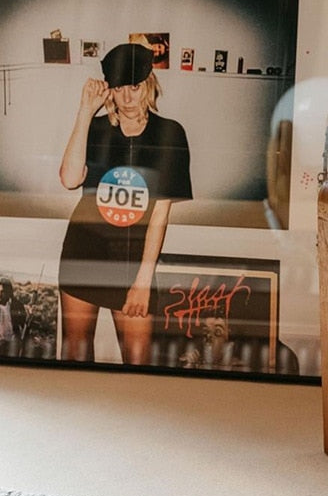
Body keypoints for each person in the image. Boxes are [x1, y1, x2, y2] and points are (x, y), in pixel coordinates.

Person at [58, 43, 192, 364]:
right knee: (75, 355)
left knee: (138, 362)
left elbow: (159, 214)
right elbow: (70, 178)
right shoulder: (97, 128)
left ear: (148, 84)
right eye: (119, 89)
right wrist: (85, 112)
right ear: (109, 91)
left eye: (134, 87)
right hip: (84, 253)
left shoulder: (169, 134)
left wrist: (142, 282)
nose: (128, 98)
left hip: (132, 261)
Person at [0, 276, 26, 349]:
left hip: (12, 345)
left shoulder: (17, 306)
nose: (0, 295)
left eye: (2, 292)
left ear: (9, 292)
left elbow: (24, 324)